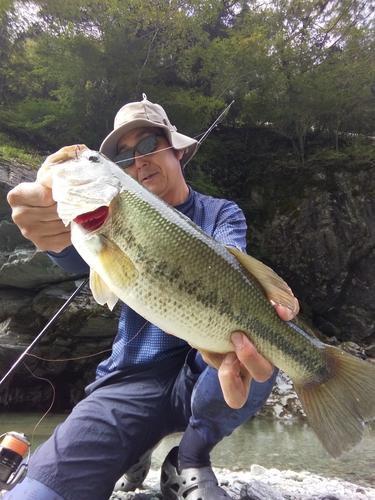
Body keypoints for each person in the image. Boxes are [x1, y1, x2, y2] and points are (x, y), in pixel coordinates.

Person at [5, 95, 299, 500]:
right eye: (124, 158)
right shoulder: (99, 220)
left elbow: (235, 265)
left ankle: (189, 458)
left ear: (177, 149)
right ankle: (133, 449)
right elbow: (73, 255)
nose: (139, 162)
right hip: (129, 378)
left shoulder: (221, 212)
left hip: (203, 370)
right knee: (37, 493)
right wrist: (49, 231)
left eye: (147, 146)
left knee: (270, 335)